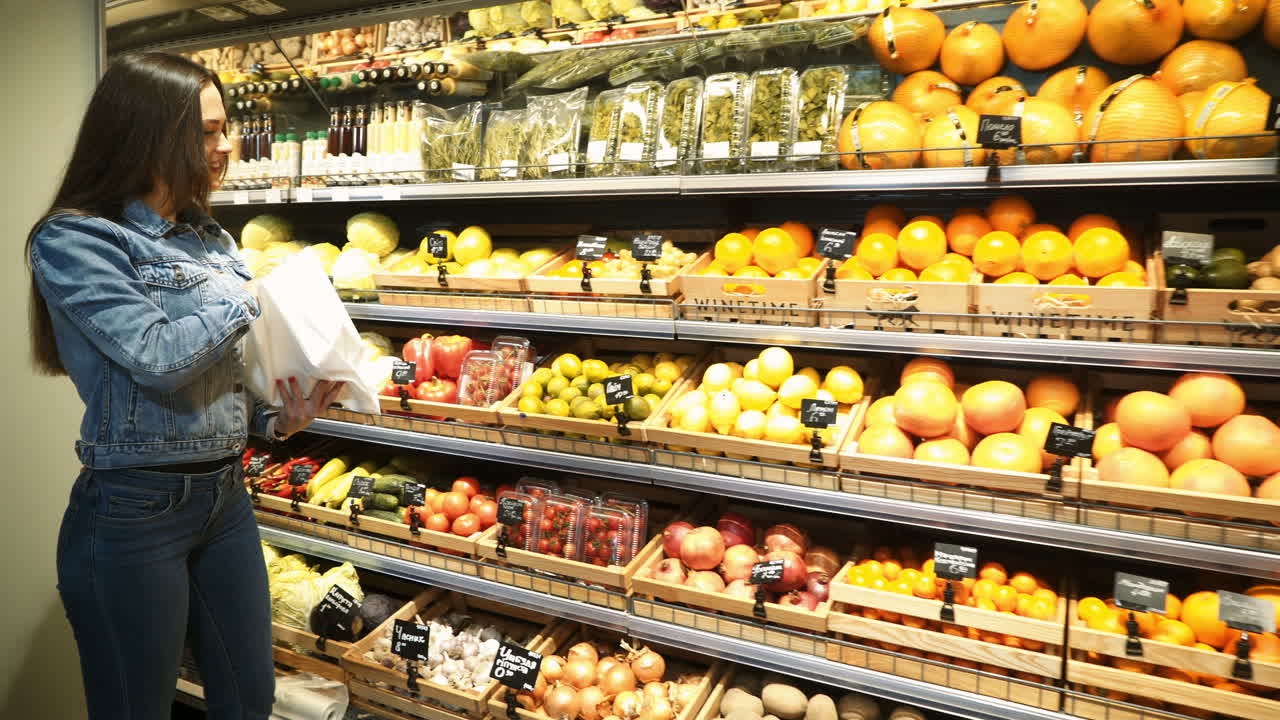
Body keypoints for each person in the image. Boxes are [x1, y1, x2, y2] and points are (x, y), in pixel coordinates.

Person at [25, 53, 341, 720]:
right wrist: (251, 294)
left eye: (225, 128)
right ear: (147, 134)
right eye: (206, 131)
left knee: (248, 697)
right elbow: (156, 357)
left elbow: (214, 379)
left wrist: (278, 419)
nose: (225, 147)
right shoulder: (77, 239)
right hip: (133, 513)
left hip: (225, 499)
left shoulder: (206, 235)